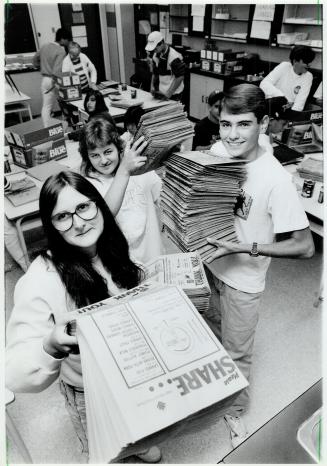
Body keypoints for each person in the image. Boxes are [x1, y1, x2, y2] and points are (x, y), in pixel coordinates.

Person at [6, 171, 162, 463]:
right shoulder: (43, 276)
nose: (78, 222)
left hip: (133, 373)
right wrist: (49, 345)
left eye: (83, 207)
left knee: (137, 423)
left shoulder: (111, 243)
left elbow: (129, 280)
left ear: (98, 204)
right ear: (51, 225)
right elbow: (13, 371)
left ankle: (138, 444)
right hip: (89, 389)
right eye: (62, 216)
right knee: (104, 450)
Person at [203, 84, 314, 448]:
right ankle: (216, 386)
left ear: (263, 123)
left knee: (237, 351)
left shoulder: (276, 180)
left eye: (243, 124)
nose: (232, 135)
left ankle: (236, 411)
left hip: (243, 281)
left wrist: (247, 247)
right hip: (210, 267)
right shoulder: (220, 150)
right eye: (225, 124)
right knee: (213, 334)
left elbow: (305, 246)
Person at [79, 115, 163, 264]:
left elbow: (164, 199)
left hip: (153, 256)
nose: (103, 161)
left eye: (107, 152)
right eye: (95, 155)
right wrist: (124, 170)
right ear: (87, 157)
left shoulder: (142, 172)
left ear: (118, 148)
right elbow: (103, 217)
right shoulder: (88, 184)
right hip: (121, 263)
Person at [210, 95, 289, 157]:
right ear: (269, 121)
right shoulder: (264, 147)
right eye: (284, 123)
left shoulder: (262, 136)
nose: (286, 127)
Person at [33, 28, 71, 127]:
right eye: (68, 40)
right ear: (62, 39)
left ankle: (46, 128)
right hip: (55, 80)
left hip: (45, 79)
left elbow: (35, 60)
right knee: (65, 103)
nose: (68, 42)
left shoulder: (44, 46)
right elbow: (57, 70)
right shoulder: (61, 51)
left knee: (46, 106)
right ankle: (68, 124)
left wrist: (41, 67)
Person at [260, 45, 316, 112]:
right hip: (272, 107)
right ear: (295, 61)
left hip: (289, 111)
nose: (309, 65)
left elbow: (300, 103)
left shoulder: (308, 76)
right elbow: (264, 84)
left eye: (310, 62)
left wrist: (293, 115)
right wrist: (282, 97)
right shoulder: (284, 66)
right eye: (306, 62)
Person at [145, 31, 185, 101]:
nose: (154, 51)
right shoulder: (156, 55)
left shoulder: (173, 57)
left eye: (155, 48)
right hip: (162, 92)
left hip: (174, 94)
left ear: (161, 43)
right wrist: (152, 86)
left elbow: (180, 77)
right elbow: (155, 72)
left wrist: (168, 94)